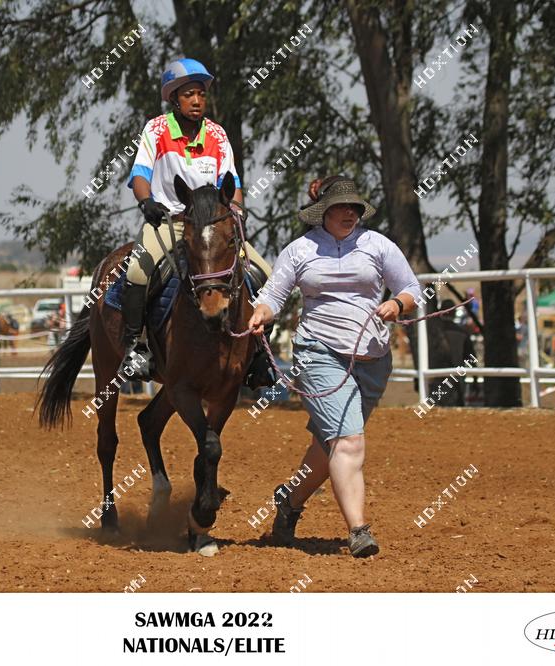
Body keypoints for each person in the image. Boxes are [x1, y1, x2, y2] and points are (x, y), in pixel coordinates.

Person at [248, 175, 422, 558]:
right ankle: (358, 530)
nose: (349, 213)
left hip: (373, 359)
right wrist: (262, 312)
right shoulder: (300, 250)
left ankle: (289, 500)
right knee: (348, 441)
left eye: (354, 207)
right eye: (341, 207)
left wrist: (398, 304)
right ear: (323, 212)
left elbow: (413, 288)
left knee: (329, 446)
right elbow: (274, 293)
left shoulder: (378, 245)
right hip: (318, 352)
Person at [120, 57, 274, 386]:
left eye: (201, 94)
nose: (196, 100)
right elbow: (140, 175)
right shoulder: (156, 129)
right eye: (189, 94)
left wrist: (236, 211)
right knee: (136, 272)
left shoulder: (217, 134)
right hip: (169, 221)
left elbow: (232, 182)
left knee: (266, 275)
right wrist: (146, 202)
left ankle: (259, 355)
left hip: (212, 225)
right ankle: (137, 347)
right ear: (174, 98)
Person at [427, 298, 476, 406]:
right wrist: (475, 380)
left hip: (436, 377)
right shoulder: (462, 332)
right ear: (454, 312)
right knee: (456, 409)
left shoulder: (431, 333)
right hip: (456, 380)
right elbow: (472, 358)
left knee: (435, 407)